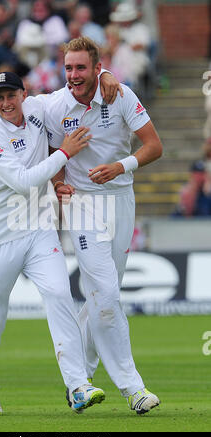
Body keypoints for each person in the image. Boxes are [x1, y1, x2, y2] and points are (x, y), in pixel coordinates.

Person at [0, 71, 109, 416]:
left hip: (39, 228)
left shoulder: (36, 107)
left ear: (23, 94)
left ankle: (78, 385)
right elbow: (22, 182)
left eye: (11, 95)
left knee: (60, 294)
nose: (6, 103)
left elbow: (68, 91)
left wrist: (104, 78)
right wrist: (64, 152)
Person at [43, 36, 162, 415]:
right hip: (82, 204)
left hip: (121, 200)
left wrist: (120, 167)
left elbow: (153, 146)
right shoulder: (53, 105)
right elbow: (47, 149)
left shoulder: (120, 94)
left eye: (81, 68)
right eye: (68, 68)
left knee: (101, 297)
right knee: (106, 293)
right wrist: (57, 181)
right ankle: (133, 388)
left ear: (97, 68)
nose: (73, 75)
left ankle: (79, 379)